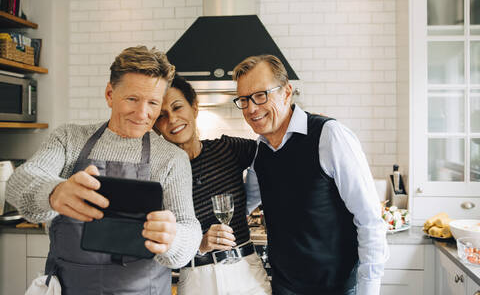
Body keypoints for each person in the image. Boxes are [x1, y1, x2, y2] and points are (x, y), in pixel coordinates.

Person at [6, 46, 202, 295]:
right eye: (132, 99)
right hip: (70, 288)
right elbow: (18, 182)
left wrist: (173, 239)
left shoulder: (172, 158)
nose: (143, 114)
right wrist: (55, 192)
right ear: (110, 94)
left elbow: (189, 228)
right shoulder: (69, 139)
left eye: (153, 102)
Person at [232, 55, 389, 295]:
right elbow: (242, 206)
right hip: (284, 288)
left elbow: (370, 221)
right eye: (244, 99)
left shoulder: (330, 136)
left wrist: (368, 290)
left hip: (337, 289)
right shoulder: (258, 152)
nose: (251, 108)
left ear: (286, 92)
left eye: (261, 95)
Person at [154, 75, 271, 295]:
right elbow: (162, 241)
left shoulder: (226, 149)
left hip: (245, 272)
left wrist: (309, 132)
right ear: (155, 127)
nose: (172, 119)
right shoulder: (159, 173)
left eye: (178, 107)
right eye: (161, 116)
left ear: (194, 107)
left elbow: (269, 149)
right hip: (197, 279)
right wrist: (199, 244)